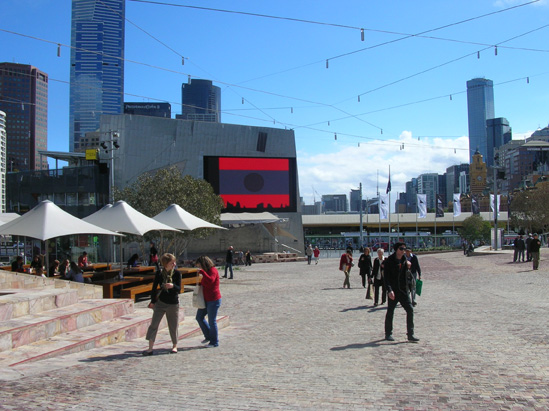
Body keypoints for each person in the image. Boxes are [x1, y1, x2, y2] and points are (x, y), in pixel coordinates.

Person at [143, 253, 181, 355]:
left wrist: (172, 286)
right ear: (166, 264)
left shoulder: (177, 273)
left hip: (173, 303)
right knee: (154, 325)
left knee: (173, 326)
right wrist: (152, 301)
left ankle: (174, 346)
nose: (174, 264)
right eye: (171, 262)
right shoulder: (159, 273)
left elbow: (179, 289)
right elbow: (154, 288)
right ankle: (150, 348)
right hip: (161, 303)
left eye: (174, 262)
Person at [383, 242, 419, 342]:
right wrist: (389, 290)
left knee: (410, 310)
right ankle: (388, 333)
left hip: (403, 291)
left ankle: (410, 334)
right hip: (393, 291)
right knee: (390, 312)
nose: (403, 250)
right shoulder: (389, 261)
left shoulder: (405, 260)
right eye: (401, 248)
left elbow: (409, 275)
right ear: (396, 249)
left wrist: (409, 267)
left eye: (404, 248)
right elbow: (386, 278)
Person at [195, 255, 222, 348]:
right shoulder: (206, 272)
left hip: (214, 300)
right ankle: (208, 336)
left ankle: (214, 342)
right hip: (206, 299)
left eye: (200, 266)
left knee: (212, 321)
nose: (199, 268)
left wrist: (203, 272)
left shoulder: (213, 270)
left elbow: (210, 281)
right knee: (199, 317)